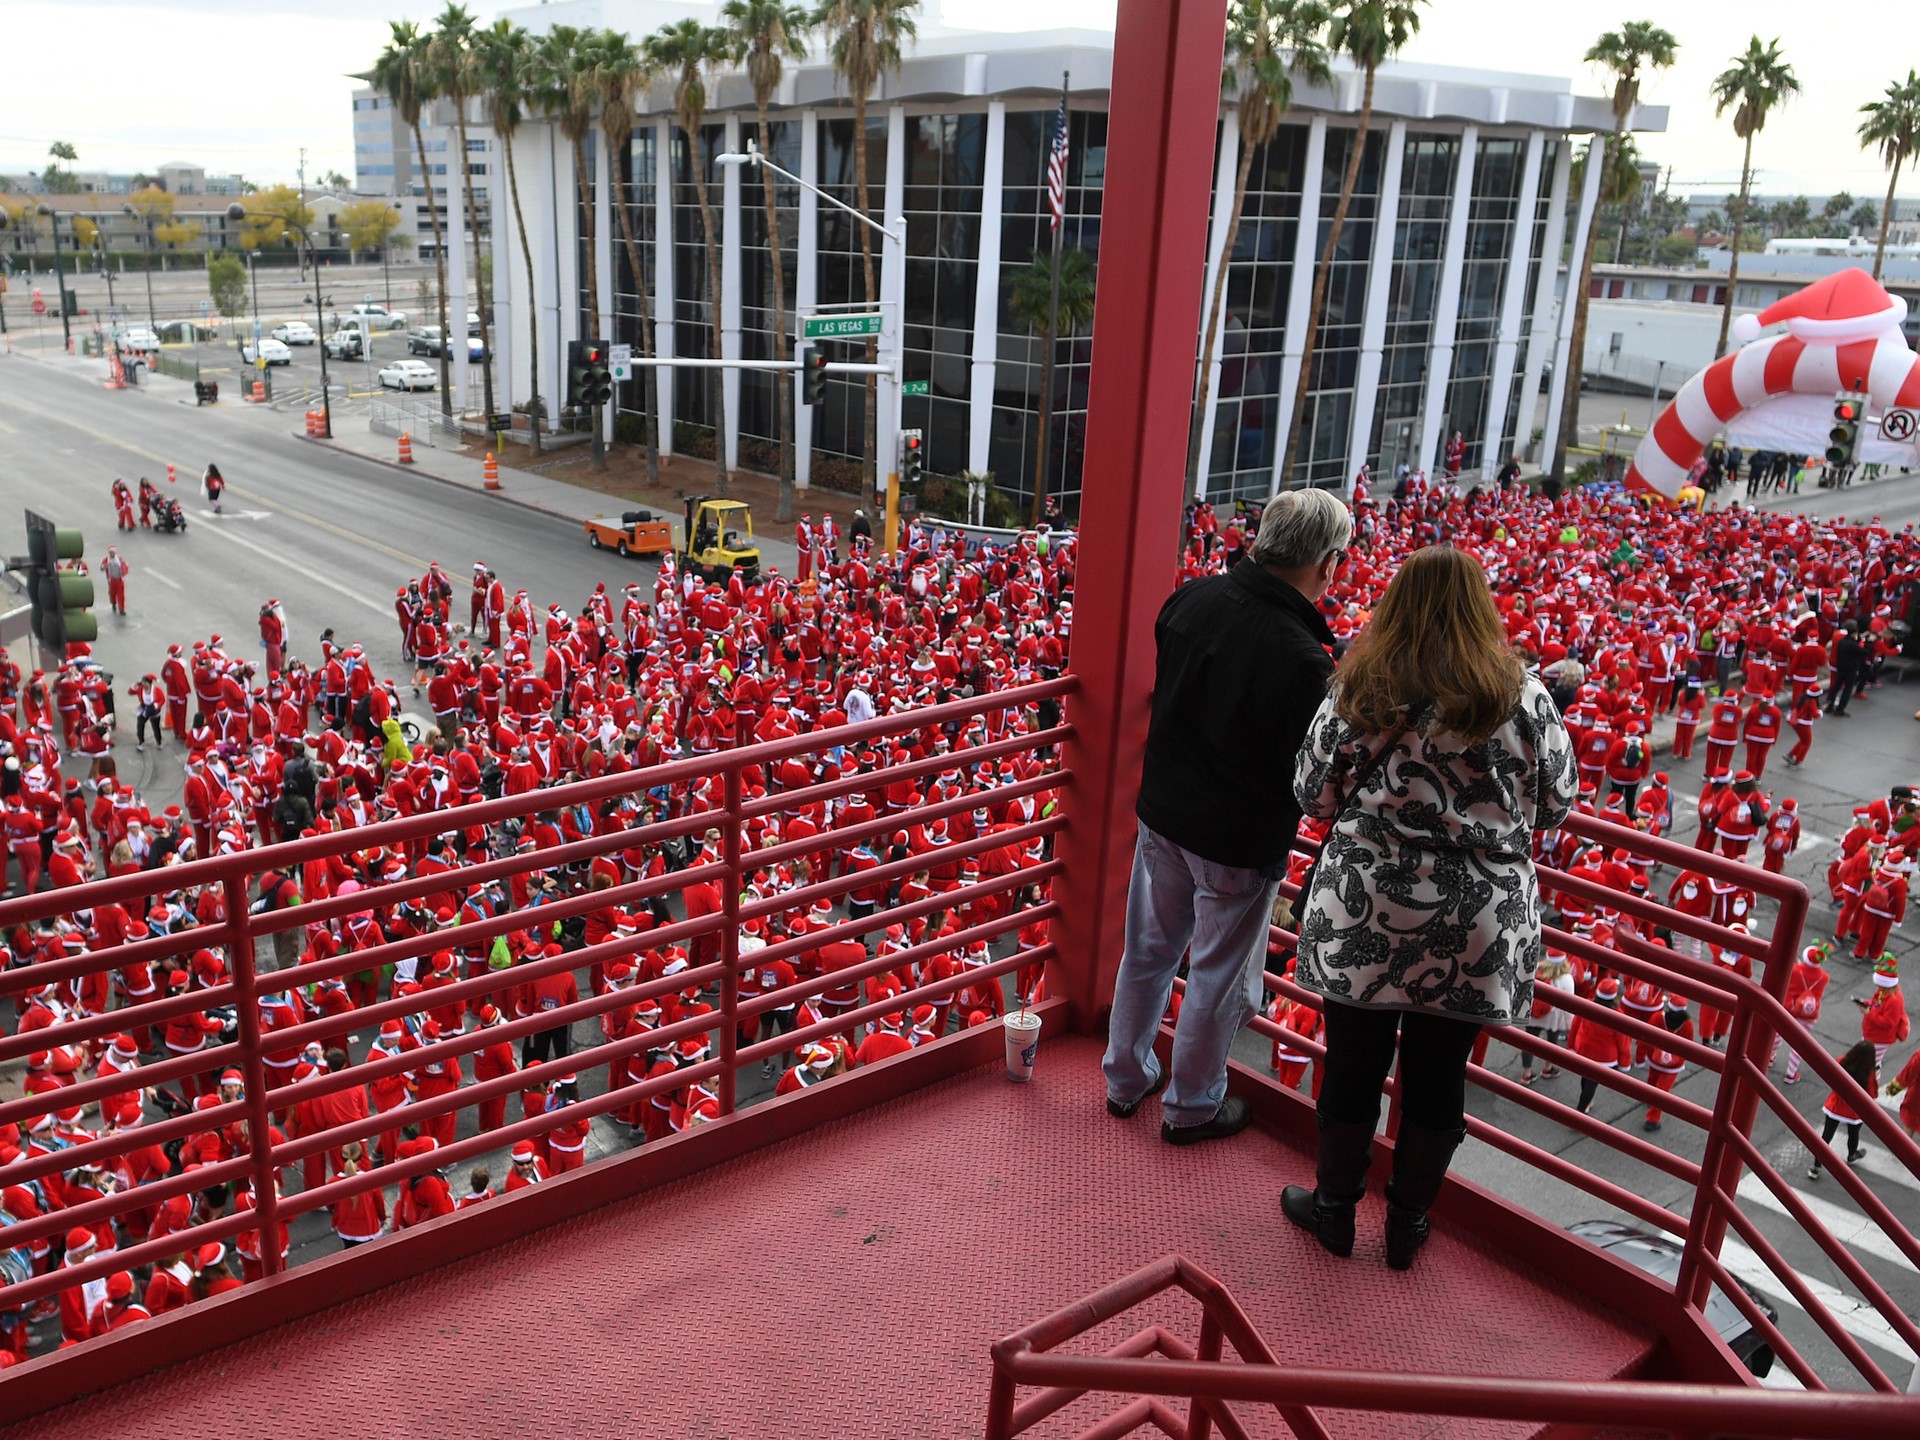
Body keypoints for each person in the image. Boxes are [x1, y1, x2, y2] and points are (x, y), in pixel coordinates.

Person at [1282, 545, 1574, 1271]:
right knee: (1441, 1075)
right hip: (1476, 920)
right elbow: (1557, 805)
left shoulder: (1361, 687)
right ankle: (1408, 1224)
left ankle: (1334, 1210)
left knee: (1352, 1064)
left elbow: (1311, 792)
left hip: (1367, 907)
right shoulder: (1525, 695)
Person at [1102, 489, 1352, 1144]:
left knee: (1148, 954)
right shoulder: (1305, 662)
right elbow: (1312, 774)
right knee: (1214, 977)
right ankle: (1191, 1108)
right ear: (1326, 565)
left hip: (1162, 816)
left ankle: (1125, 1080)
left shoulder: (1190, 600)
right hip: (1236, 843)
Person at [1806, 1040, 1878, 1180]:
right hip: (1854, 1111)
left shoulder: (1841, 1061)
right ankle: (1852, 1155)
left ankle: (1816, 1167)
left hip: (1835, 1106)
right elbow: (1872, 1094)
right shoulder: (1868, 1073)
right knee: (1853, 1134)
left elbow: (1831, 1078)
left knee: (1826, 1137)